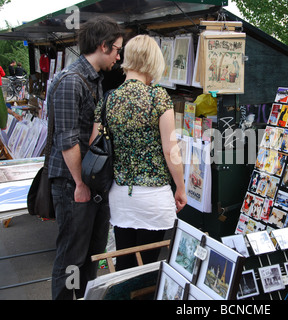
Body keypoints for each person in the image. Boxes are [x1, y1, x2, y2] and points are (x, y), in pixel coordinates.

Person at [91, 34, 187, 271]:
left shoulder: (108, 99)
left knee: (125, 265)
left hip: (120, 195)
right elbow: (170, 149)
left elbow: (94, 142)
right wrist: (181, 187)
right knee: (148, 269)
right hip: (153, 197)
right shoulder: (158, 97)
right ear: (153, 61)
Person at [47, 16, 123, 300]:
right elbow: (67, 141)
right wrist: (80, 183)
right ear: (103, 46)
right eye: (116, 49)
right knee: (72, 256)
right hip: (72, 183)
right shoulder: (71, 82)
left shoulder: (93, 80)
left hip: (90, 183)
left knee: (92, 254)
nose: (118, 56)